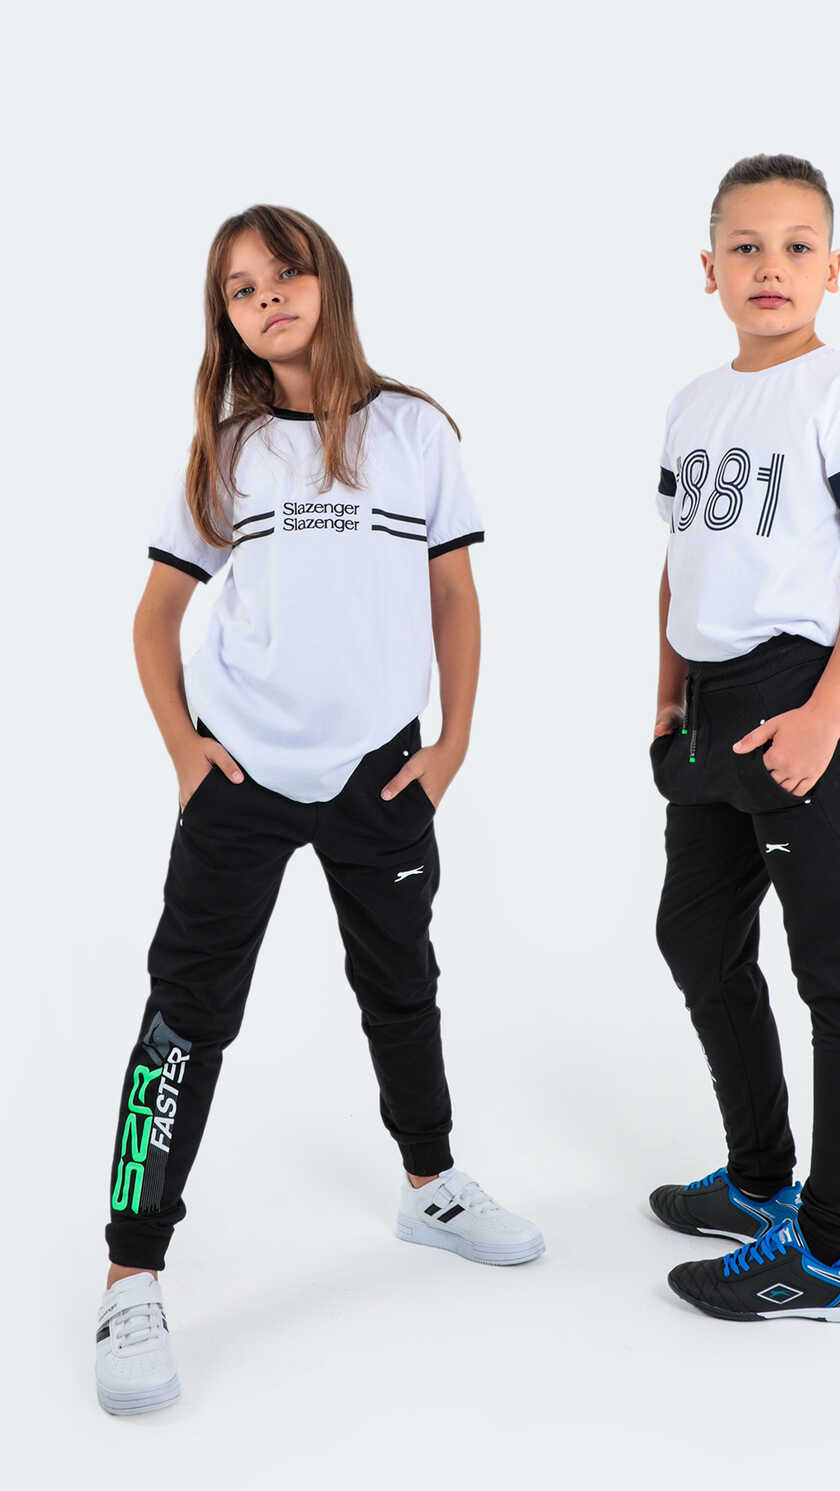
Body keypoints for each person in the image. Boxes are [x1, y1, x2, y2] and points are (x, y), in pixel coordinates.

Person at [95, 205, 543, 1416]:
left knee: (401, 985)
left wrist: (451, 744)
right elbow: (155, 617)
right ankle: (131, 1274)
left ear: (326, 281)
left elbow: (454, 596)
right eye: (241, 290)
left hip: (378, 775)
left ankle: (429, 1185)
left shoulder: (414, 431)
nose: (268, 299)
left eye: (284, 273)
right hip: (240, 775)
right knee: (185, 1014)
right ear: (227, 319)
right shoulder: (226, 450)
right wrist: (186, 753)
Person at [646, 154, 840, 1322]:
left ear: (833, 266)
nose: (770, 266)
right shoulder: (692, 403)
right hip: (710, 706)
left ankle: (832, 1252)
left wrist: (825, 715)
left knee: (839, 974)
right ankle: (760, 1180)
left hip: (806, 694)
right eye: (746, 245)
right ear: (708, 268)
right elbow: (678, 563)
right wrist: (666, 698)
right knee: (693, 933)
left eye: (796, 245)